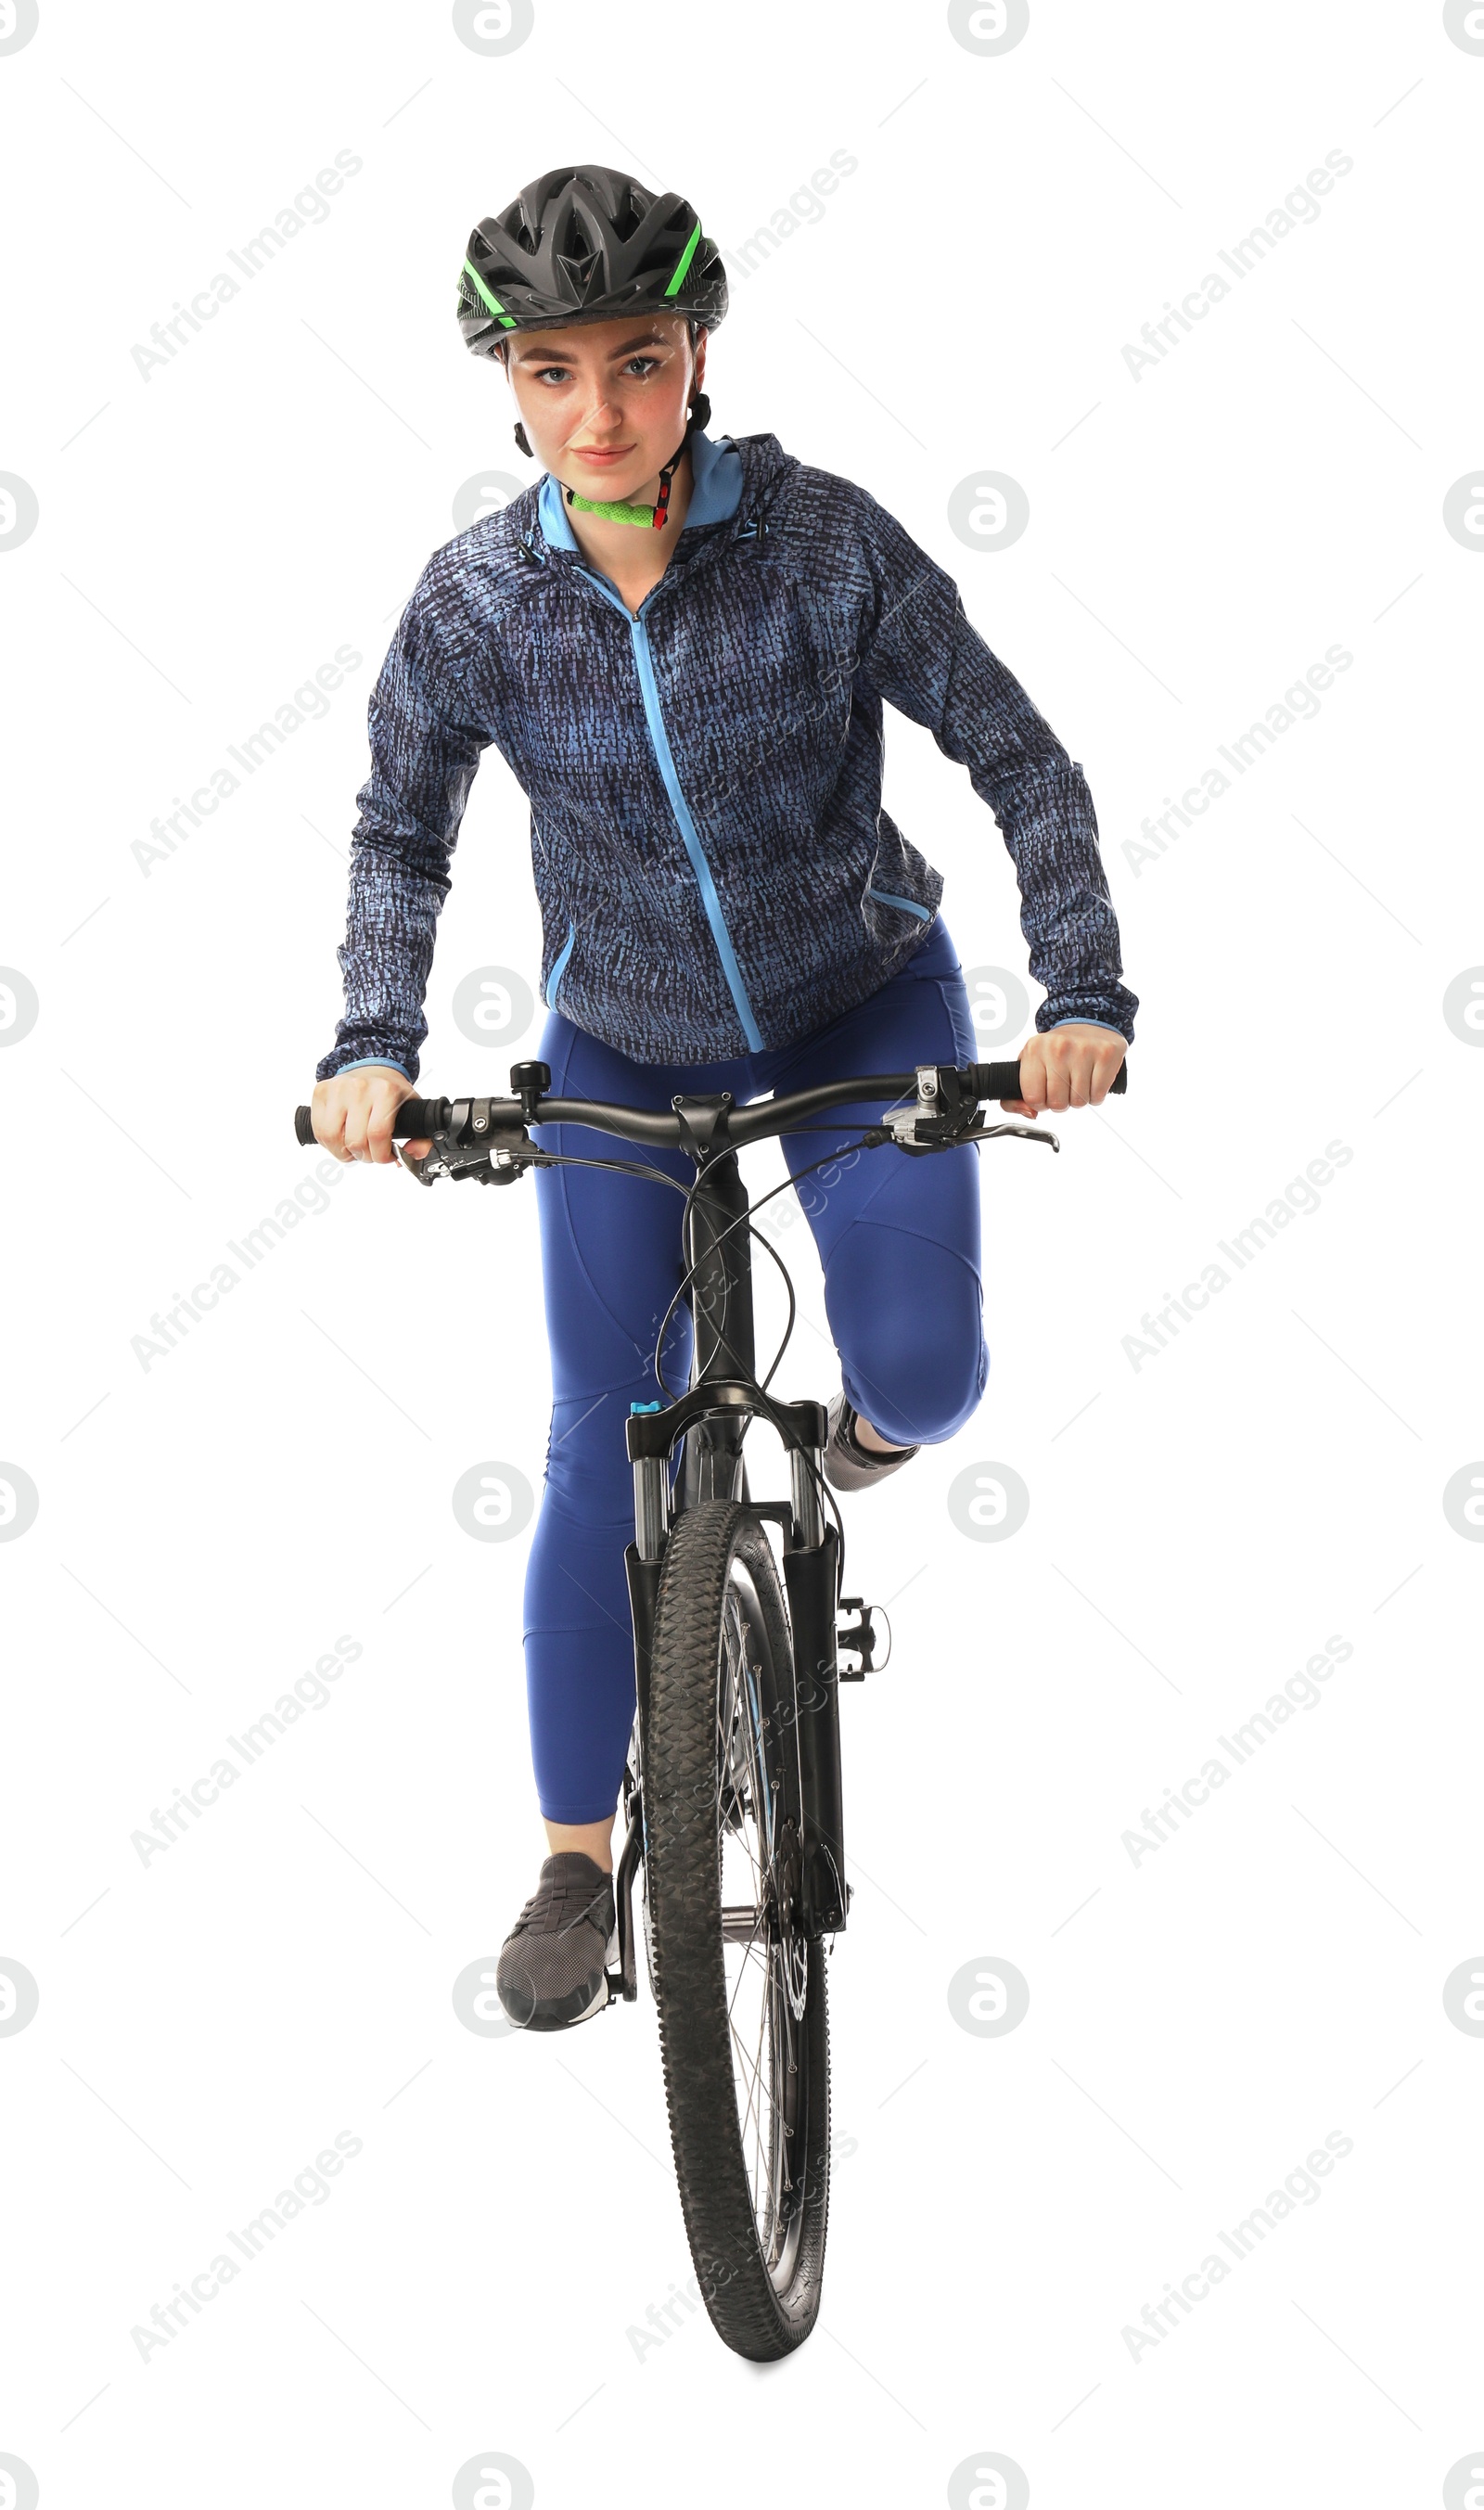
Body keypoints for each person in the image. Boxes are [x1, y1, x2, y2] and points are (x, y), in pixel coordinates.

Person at [309, 164, 1138, 2032]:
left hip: (858, 1011)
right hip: (621, 1050)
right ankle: (570, 1865)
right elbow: (395, 834)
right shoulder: (472, 605)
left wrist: (1075, 992)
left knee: (924, 1369)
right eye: (549, 372)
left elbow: (1018, 758)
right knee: (596, 1437)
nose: (597, 413)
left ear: (699, 357)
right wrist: (372, 1044)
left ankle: (849, 1457)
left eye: (638, 361)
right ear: (503, 386)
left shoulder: (824, 547)